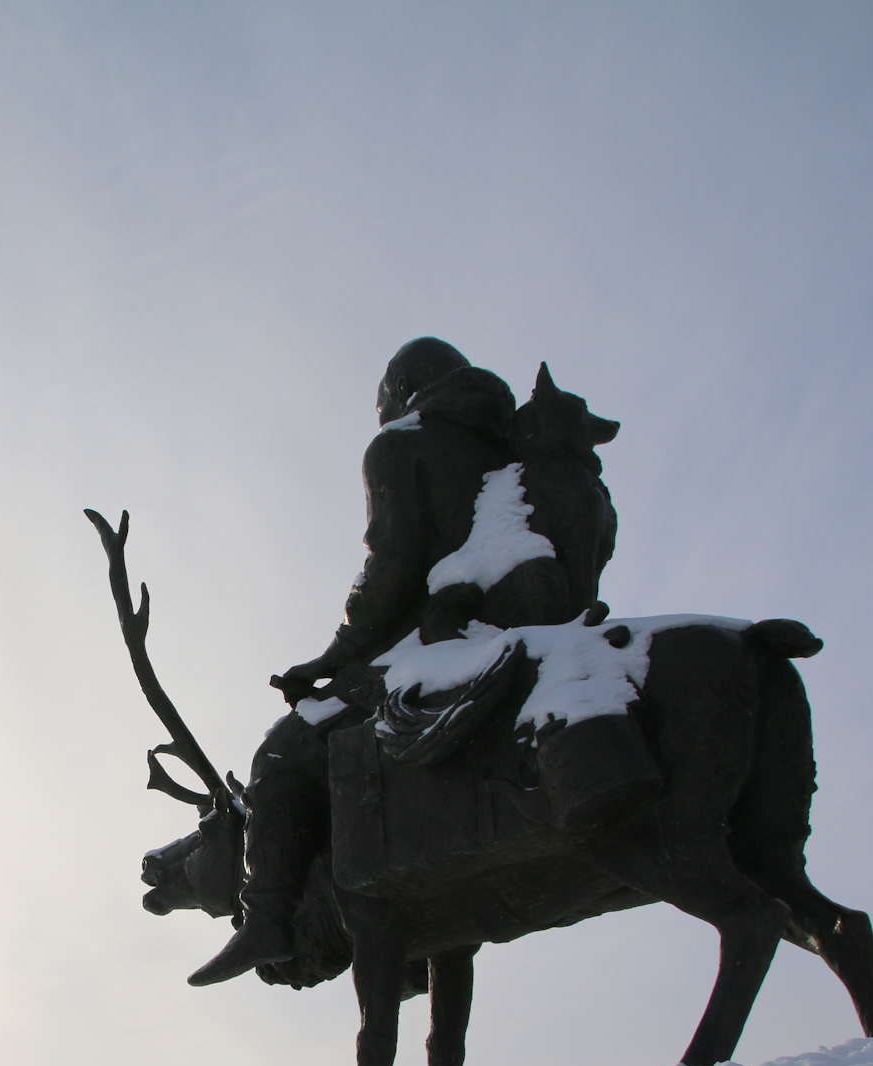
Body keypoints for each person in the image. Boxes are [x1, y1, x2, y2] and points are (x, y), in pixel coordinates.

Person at [188, 337, 609, 986]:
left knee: (279, 755)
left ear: (400, 391)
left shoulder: (401, 445)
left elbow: (391, 569)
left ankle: (268, 917)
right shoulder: (508, 445)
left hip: (432, 649)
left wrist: (330, 658)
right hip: (519, 627)